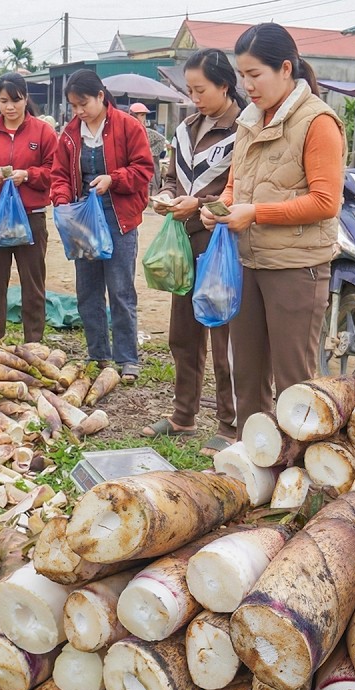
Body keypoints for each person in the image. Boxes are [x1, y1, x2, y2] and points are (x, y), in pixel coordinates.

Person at [201, 22, 345, 423]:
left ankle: (298, 469)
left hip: (296, 268)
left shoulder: (318, 122)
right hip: (248, 261)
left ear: (285, 68)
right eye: (242, 75)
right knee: (246, 373)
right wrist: (222, 207)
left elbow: (325, 201)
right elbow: (235, 184)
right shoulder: (251, 120)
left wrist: (255, 213)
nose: (246, 84)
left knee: (294, 380)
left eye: (254, 74)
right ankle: (252, 461)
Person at [145, 49, 242, 454]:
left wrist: (199, 204)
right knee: (184, 333)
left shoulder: (244, 131)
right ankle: (183, 414)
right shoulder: (186, 129)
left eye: (200, 89)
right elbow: (171, 177)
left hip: (222, 242)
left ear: (224, 84)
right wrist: (166, 196)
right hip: (184, 239)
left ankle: (230, 424)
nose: (195, 97)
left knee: (223, 336)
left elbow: (240, 191)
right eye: (189, 90)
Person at [50, 69, 154, 382]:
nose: (79, 111)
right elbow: (59, 175)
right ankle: (98, 354)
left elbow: (143, 169)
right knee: (87, 290)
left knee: (120, 289)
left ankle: (127, 359)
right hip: (83, 217)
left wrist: (114, 179)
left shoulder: (127, 127)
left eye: (83, 103)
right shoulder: (69, 134)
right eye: (73, 106)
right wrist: (62, 199)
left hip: (119, 216)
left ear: (100, 96)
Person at [0, 72, 57, 343]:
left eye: (16, 100)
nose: (10, 107)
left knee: (33, 284)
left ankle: (34, 342)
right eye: (4, 100)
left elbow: (55, 170)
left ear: (25, 99)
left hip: (31, 217)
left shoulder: (43, 132)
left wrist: (28, 175)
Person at [130, 102, 167, 193]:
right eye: (141, 115)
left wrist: (151, 152)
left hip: (150, 166)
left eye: (144, 115)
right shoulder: (127, 131)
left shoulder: (148, 132)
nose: (143, 118)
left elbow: (162, 140)